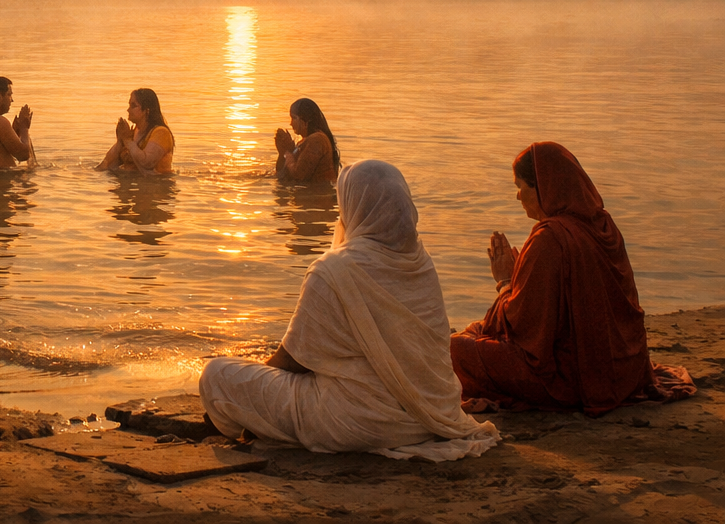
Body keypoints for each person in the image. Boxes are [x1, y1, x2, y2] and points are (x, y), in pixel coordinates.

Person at [199, 160, 499, 460]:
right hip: (427, 418)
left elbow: (293, 362)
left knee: (216, 375)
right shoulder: (422, 264)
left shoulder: (333, 270)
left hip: (354, 423)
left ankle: (250, 425)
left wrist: (261, 375)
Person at [451, 142, 693, 414]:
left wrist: (506, 282)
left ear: (543, 188)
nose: (518, 197)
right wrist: (525, 281)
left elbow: (523, 329)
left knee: (456, 347)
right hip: (624, 370)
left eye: (520, 187)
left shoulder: (549, 239)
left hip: (572, 380)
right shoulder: (604, 225)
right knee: (477, 328)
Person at [96, 88, 174, 174]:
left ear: (146, 111)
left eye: (133, 106)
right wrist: (120, 141)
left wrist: (128, 141)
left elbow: (147, 163)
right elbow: (107, 164)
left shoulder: (161, 133)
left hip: (155, 184)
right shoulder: (133, 132)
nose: (128, 110)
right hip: (133, 183)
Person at [274, 97, 340, 183]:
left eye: (294, 118)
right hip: (309, 194)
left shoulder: (317, 140)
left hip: (318, 195)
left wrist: (287, 153)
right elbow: (282, 174)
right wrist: (282, 154)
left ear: (305, 120)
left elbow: (298, 175)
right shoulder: (304, 141)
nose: (291, 123)